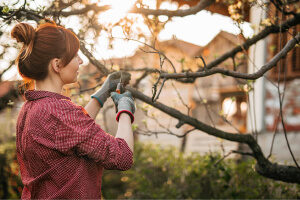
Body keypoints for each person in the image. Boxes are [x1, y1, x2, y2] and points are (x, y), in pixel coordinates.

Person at [11, 20, 135, 199]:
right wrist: (125, 109)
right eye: (75, 55)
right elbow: (122, 157)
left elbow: (72, 135)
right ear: (57, 65)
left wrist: (102, 94)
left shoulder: (30, 108)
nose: (81, 60)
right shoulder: (59, 112)